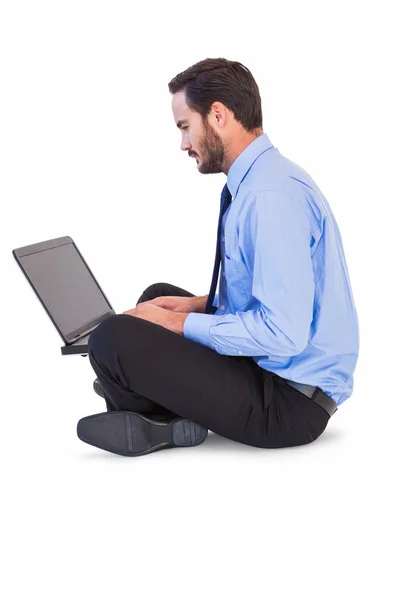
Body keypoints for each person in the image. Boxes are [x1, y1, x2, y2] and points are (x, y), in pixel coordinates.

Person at [77, 57, 359, 457]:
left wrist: (179, 324)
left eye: (184, 127)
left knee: (112, 338)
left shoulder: (269, 198)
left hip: (287, 405)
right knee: (154, 297)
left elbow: (284, 334)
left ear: (219, 115)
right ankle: (154, 396)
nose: (184, 144)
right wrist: (195, 306)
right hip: (273, 374)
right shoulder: (264, 179)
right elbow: (271, 298)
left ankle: (162, 416)